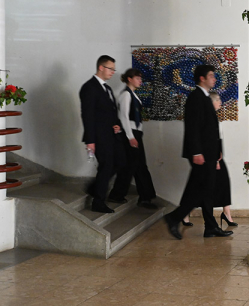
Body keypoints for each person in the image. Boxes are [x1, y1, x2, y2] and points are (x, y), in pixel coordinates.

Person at [164, 65, 233, 239]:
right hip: (201, 153)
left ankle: (210, 227)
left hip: (208, 152)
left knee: (206, 190)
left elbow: (210, 129)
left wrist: (217, 152)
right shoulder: (195, 97)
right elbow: (193, 127)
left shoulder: (204, 97)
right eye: (211, 76)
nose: (214, 78)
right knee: (199, 190)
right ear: (202, 78)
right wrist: (196, 152)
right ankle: (174, 218)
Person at [79, 55, 127, 214]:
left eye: (114, 69)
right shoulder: (89, 87)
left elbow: (111, 113)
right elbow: (87, 115)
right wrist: (90, 140)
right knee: (106, 166)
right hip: (99, 136)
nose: (113, 72)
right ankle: (98, 202)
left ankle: (94, 188)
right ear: (101, 67)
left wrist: (117, 125)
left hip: (111, 135)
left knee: (120, 161)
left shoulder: (107, 88)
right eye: (110, 69)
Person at [113, 68, 158, 209]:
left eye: (140, 78)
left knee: (137, 165)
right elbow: (123, 117)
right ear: (129, 79)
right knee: (134, 165)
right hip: (131, 133)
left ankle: (143, 197)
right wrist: (130, 136)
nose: (140, 81)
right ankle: (140, 197)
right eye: (137, 78)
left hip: (135, 133)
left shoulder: (133, 95)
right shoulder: (126, 95)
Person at [209, 92, 237, 228]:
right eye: (217, 99)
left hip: (217, 155)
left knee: (223, 183)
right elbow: (210, 140)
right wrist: (215, 160)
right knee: (201, 187)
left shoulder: (214, 116)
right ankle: (185, 213)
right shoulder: (209, 117)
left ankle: (227, 214)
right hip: (213, 157)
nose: (220, 102)